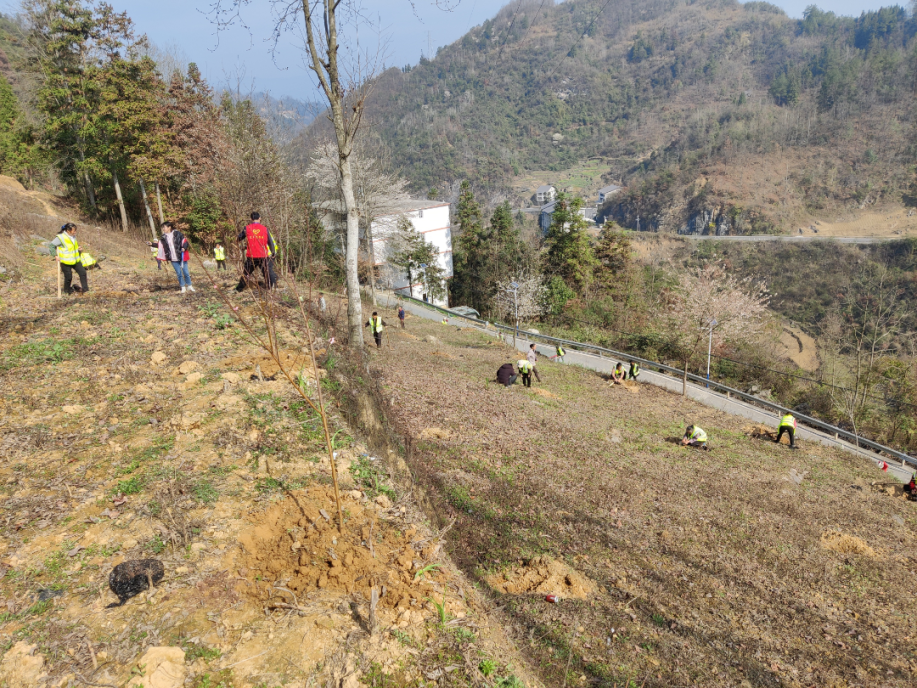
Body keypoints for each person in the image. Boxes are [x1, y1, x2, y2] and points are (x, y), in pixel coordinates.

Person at [236, 212, 277, 292]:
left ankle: (239, 289)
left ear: (251, 219)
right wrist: (273, 252)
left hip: (251, 256)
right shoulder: (265, 229)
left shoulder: (247, 228)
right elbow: (270, 242)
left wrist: (240, 242)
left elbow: (239, 238)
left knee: (246, 273)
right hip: (263, 256)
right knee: (267, 272)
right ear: (260, 218)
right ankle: (273, 288)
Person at [51, 223, 88, 295]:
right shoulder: (60, 237)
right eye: (74, 231)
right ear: (68, 230)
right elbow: (51, 245)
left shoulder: (73, 237)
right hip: (65, 261)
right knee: (68, 277)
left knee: (83, 272)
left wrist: (79, 249)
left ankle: (85, 289)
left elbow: (71, 248)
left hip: (75, 260)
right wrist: (55, 255)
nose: (75, 232)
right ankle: (67, 291)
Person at [159, 221, 194, 293]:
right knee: (179, 273)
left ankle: (189, 286)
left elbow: (185, 242)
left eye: (164, 227)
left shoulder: (177, 234)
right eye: (163, 227)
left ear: (169, 227)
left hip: (181, 256)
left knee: (186, 272)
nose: (163, 229)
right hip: (173, 258)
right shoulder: (163, 237)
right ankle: (183, 287)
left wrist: (184, 248)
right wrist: (151, 244)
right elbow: (160, 245)